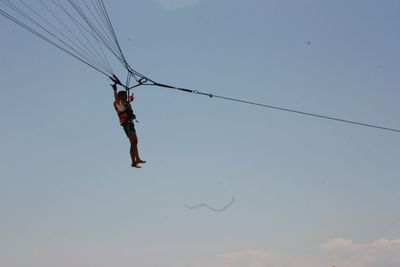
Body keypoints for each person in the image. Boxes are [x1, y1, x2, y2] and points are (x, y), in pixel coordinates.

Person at [111, 75, 146, 168]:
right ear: (120, 97)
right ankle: (133, 162)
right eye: (124, 96)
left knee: (135, 142)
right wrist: (115, 90)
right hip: (127, 124)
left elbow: (127, 105)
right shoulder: (119, 103)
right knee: (133, 142)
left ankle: (137, 159)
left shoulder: (125, 103)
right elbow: (117, 99)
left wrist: (130, 100)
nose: (126, 97)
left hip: (130, 123)